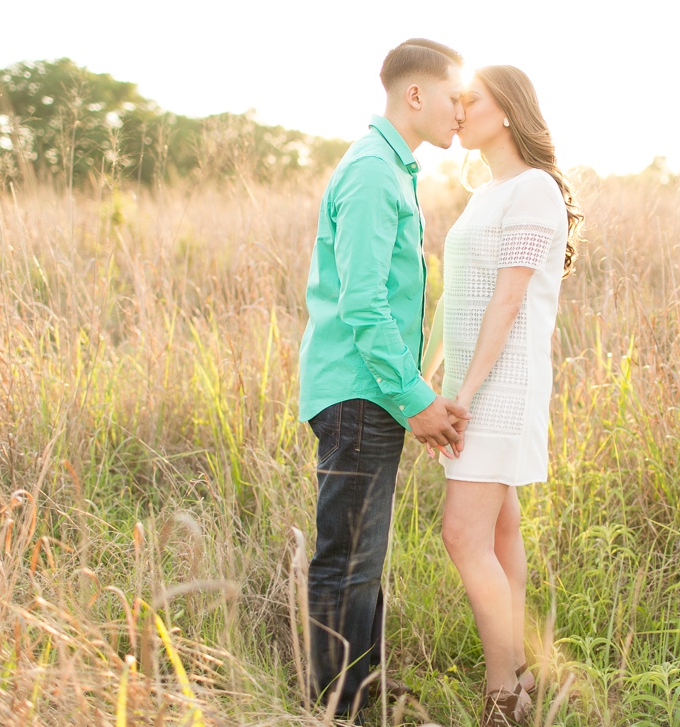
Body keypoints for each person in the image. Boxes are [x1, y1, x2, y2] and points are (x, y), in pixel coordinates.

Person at [297, 38, 470, 722]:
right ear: (416, 95)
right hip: (358, 391)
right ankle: (335, 707)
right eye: (456, 97)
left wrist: (409, 396)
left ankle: (359, 687)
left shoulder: (392, 168)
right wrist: (415, 399)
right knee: (346, 559)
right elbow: (363, 304)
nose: (463, 111)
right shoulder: (373, 170)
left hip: (369, 390)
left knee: (363, 556)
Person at [422, 65, 583, 727]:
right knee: (498, 529)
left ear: (509, 111)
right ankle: (517, 677)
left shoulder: (535, 189)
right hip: (470, 380)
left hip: (501, 384)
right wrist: (431, 373)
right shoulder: (487, 191)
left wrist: (462, 391)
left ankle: (501, 696)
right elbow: (457, 297)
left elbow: (510, 299)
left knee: (462, 533)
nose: (459, 111)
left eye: (472, 100)